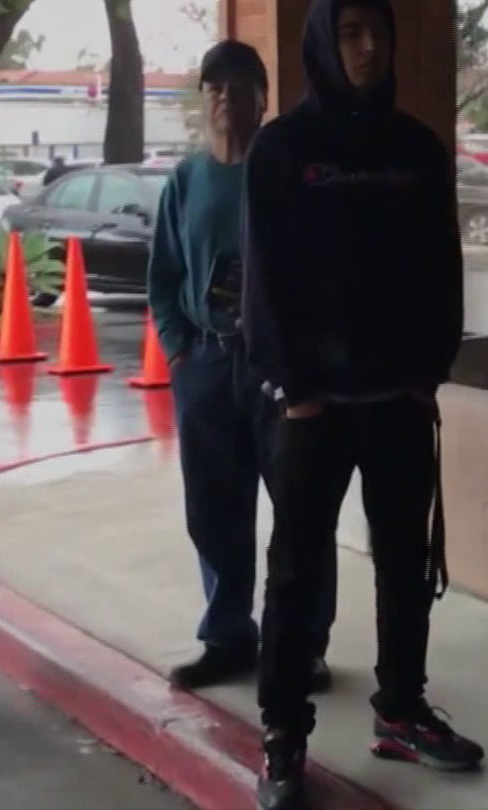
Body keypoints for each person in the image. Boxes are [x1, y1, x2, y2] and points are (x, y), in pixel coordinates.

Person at [244, 0, 479, 810]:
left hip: (397, 401)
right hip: (313, 409)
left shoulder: (417, 149)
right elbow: (265, 281)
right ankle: (282, 733)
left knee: (405, 566)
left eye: (378, 31)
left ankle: (402, 709)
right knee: (296, 574)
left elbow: (441, 269)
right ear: (322, 43)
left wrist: (428, 372)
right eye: (350, 32)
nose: (368, 47)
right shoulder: (282, 151)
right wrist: (297, 388)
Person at [147, 40, 337, 691]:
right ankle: (228, 636)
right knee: (214, 510)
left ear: (263, 97)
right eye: (214, 87)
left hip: (279, 369)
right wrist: (179, 350)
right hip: (205, 367)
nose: (225, 96)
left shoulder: (287, 173)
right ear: (203, 102)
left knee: (300, 509)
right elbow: (163, 277)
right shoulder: (185, 182)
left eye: (239, 84)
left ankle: (302, 643)